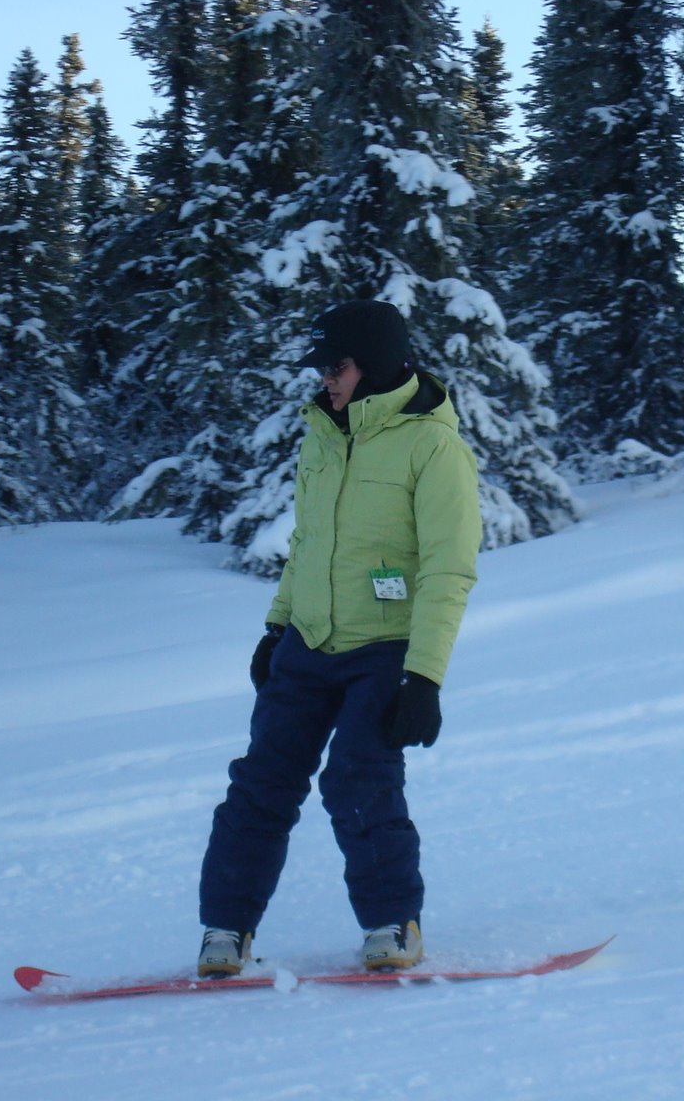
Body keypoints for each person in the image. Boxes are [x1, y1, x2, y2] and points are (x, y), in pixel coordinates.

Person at [196, 299, 481, 975]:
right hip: (307, 642)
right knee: (260, 783)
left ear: (374, 364)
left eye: (337, 366)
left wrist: (424, 677)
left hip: (382, 650)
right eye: (323, 367)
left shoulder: (432, 446)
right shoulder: (323, 434)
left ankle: (393, 922)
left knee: (358, 780)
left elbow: (448, 569)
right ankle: (227, 930)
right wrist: (276, 626)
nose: (326, 379)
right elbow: (307, 544)